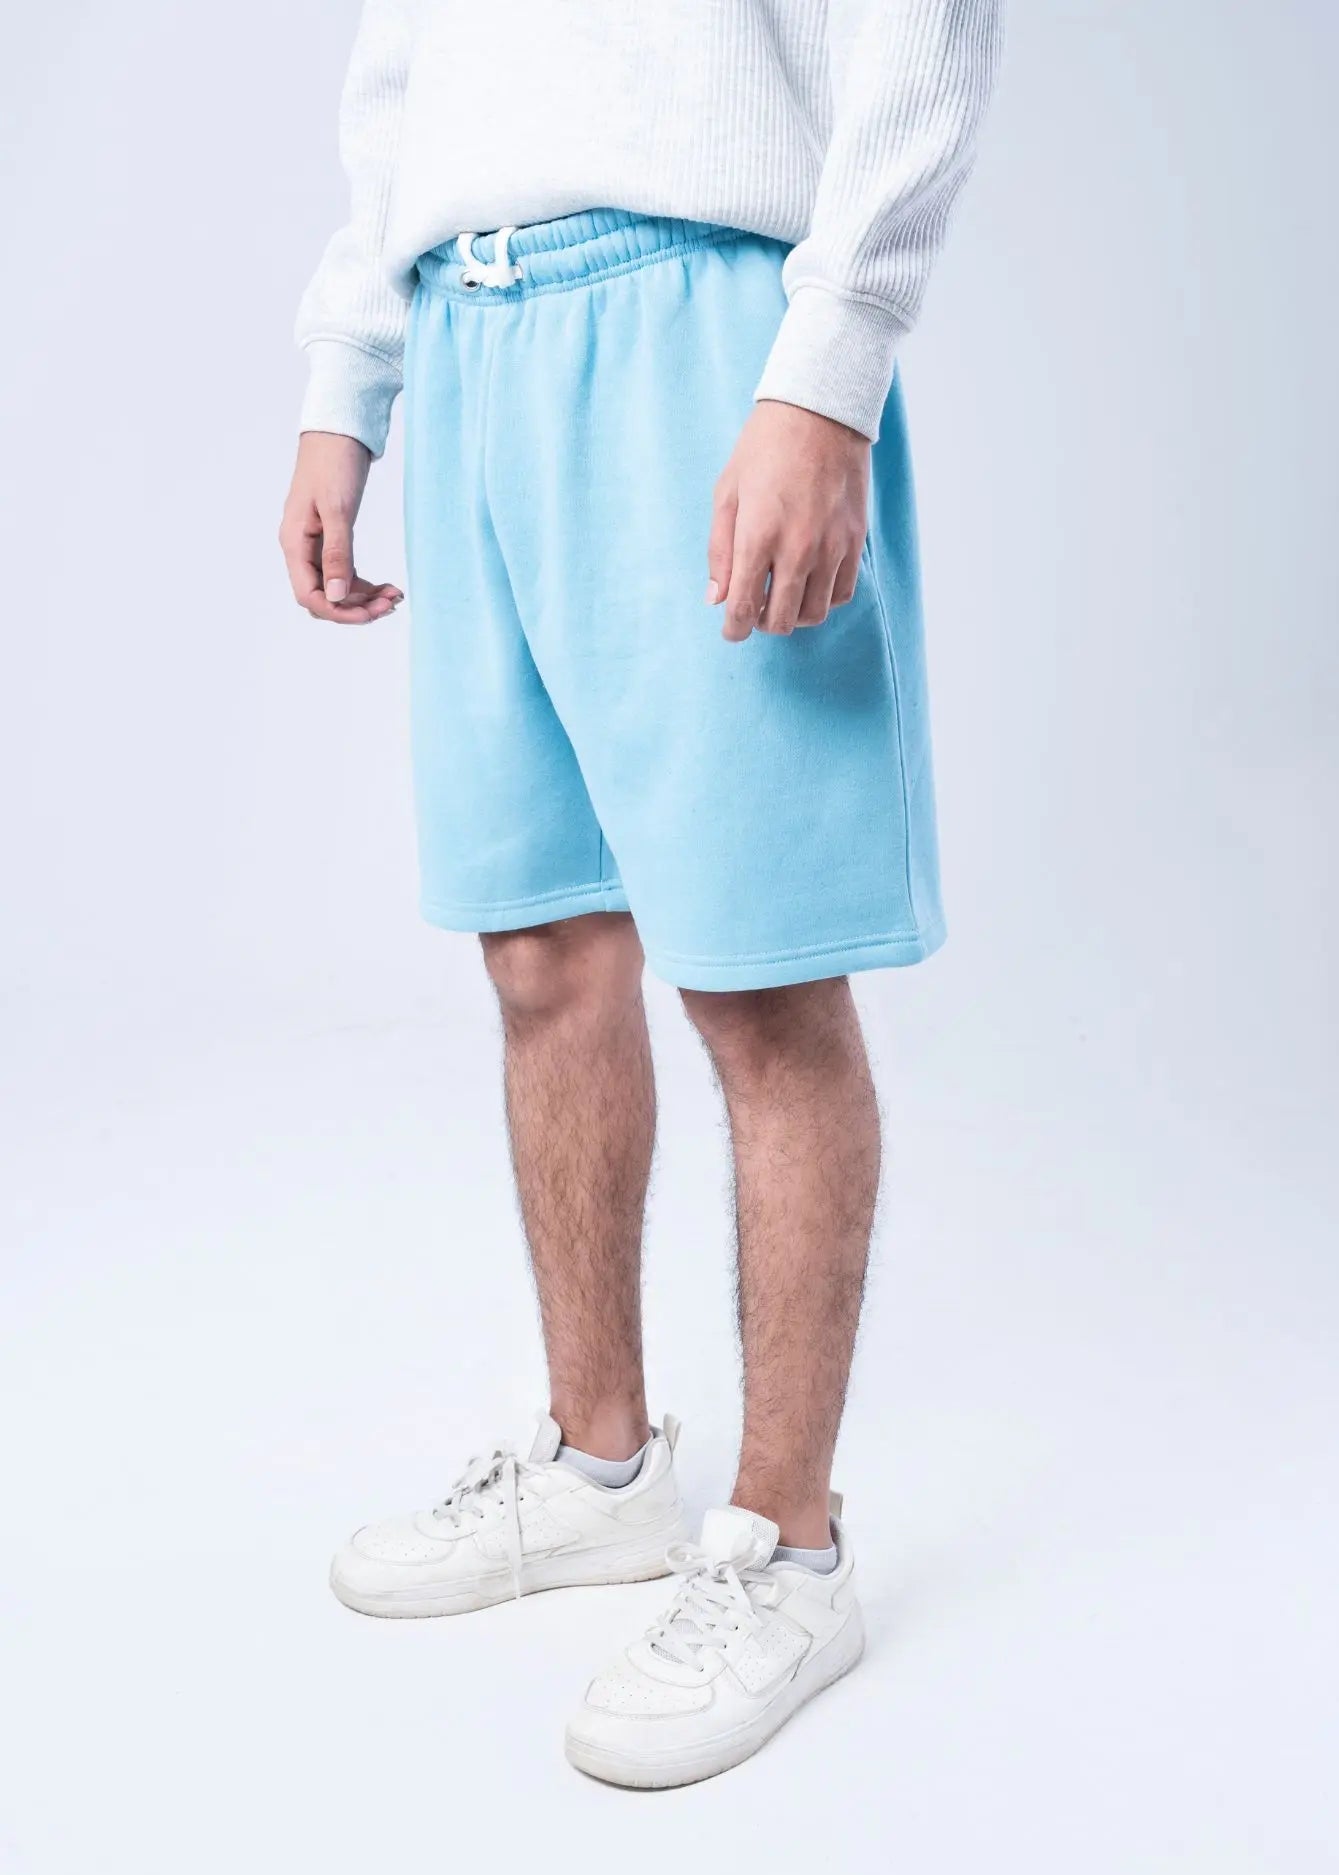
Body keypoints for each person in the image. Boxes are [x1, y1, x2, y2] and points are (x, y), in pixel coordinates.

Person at [280, 0, 1002, 1789]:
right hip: (470, 333)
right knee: (537, 946)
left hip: (703, 326)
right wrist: (346, 384)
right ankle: (599, 1465)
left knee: (760, 978)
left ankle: (790, 1547)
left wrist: (828, 367)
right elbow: (404, 72)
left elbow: (922, 32)